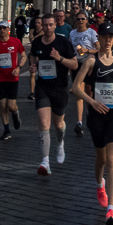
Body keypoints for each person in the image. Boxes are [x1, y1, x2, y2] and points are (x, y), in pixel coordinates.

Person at [71, 24, 113, 225]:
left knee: (112, 159)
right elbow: (75, 88)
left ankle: (111, 209)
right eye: (104, 37)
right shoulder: (91, 61)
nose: (107, 41)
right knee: (101, 158)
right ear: (99, 38)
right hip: (97, 114)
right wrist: (92, 102)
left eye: (110, 37)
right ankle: (100, 185)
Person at [29, 12, 79, 175]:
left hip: (60, 87)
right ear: (41, 26)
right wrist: (32, 67)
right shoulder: (37, 43)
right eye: (45, 25)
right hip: (43, 86)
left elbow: (74, 65)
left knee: (58, 125)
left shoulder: (63, 42)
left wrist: (60, 59)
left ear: (54, 25)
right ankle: (45, 161)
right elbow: (33, 57)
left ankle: (60, 143)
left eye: (51, 25)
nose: (48, 27)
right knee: (44, 123)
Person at [0, 20, 25, 140]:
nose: (2, 30)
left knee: (11, 106)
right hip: (0, 78)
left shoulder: (16, 41)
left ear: (8, 29)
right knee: (2, 105)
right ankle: (7, 129)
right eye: (0, 28)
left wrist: (19, 68)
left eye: (4, 28)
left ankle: (15, 113)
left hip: (13, 77)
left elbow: (24, 55)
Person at [68, 12, 100, 137]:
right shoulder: (72, 33)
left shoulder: (91, 33)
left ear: (87, 20)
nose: (80, 21)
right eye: (78, 19)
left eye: (83, 19)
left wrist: (87, 50)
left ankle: (90, 114)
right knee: (78, 92)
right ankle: (79, 122)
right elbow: (70, 47)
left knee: (89, 92)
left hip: (89, 64)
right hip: (77, 64)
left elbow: (99, 49)